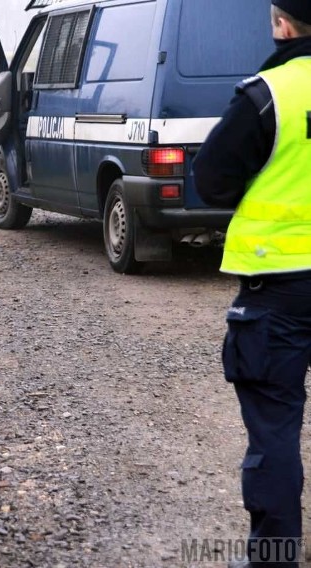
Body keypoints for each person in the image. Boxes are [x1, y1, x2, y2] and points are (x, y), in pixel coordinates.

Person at [193, 1, 311, 567]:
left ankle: (275, 559)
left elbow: (212, 179)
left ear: (283, 25)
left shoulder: (268, 94)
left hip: (281, 286)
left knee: (275, 429)